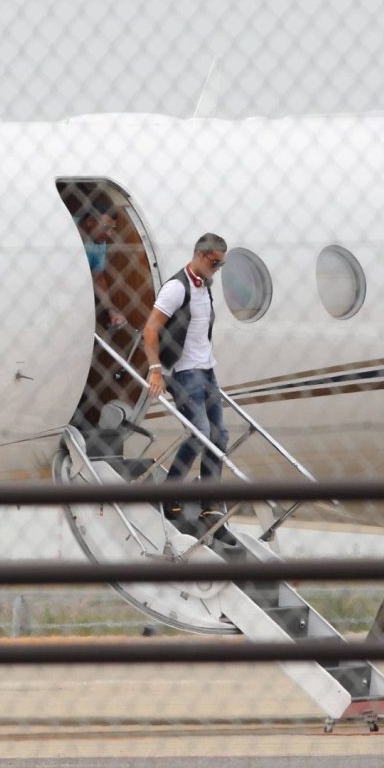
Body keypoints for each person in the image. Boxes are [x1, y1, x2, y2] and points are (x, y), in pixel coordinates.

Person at [142, 233, 234, 544]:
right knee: (201, 433)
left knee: (220, 435)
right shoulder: (176, 288)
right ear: (199, 254)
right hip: (183, 373)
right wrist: (156, 370)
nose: (216, 269)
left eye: (220, 264)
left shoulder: (205, 289)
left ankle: (210, 504)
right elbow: (151, 330)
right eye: (213, 262)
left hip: (207, 371)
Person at [76, 195, 126, 329]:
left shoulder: (99, 242)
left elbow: (98, 277)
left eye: (112, 228)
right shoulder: (67, 227)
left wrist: (111, 311)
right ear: (90, 221)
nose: (109, 234)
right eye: (105, 227)